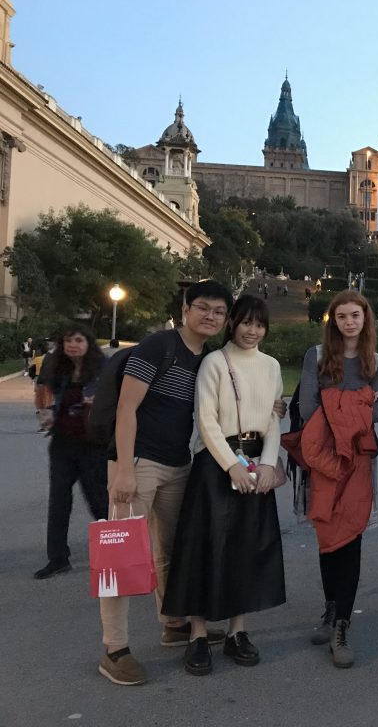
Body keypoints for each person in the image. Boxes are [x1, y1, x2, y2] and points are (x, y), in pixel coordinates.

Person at [98, 279, 234, 686]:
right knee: (121, 558)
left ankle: (173, 622)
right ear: (187, 308)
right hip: (137, 462)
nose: (210, 316)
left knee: (174, 550)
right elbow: (127, 406)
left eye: (219, 312)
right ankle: (114, 649)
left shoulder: (208, 358)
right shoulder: (158, 346)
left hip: (179, 465)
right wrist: (123, 468)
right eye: (204, 308)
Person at [162, 295, 285, 676]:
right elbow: (206, 419)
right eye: (246, 323)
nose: (252, 331)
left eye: (259, 324)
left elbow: (273, 418)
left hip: (255, 462)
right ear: (233, 323)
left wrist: (266, 465)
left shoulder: (271, 365)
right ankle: (198, 634)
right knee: (206, 548)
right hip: (216, 466)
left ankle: (237, 631)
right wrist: (231, 465)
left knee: (246, 549)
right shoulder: (215, 363)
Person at [295, 290, 378, 668]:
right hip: (322, 459)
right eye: (342, 316)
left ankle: (342, 625)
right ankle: (330, 609)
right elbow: (307, 406)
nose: (350, 321)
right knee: (327, 535)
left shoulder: (375, 361)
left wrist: (339, 405)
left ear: (366, 320)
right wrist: (354, 405)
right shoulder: (315, 357)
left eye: (356, 315)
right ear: (333, 321)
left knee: (351, 537)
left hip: (358, 464)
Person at [34, 324, 109, 579]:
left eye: (78, 340)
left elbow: (119, 396)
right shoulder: (58, 365)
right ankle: (57, 558)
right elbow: (42, 386)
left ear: (88, 343)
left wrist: (98, 401)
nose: (73, 345)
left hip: (93, 444)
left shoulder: (102, 367)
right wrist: (44, 413)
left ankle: (113, 552)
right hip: (63, 443)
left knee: (99, 500)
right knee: (58, 501)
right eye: (68, 340)